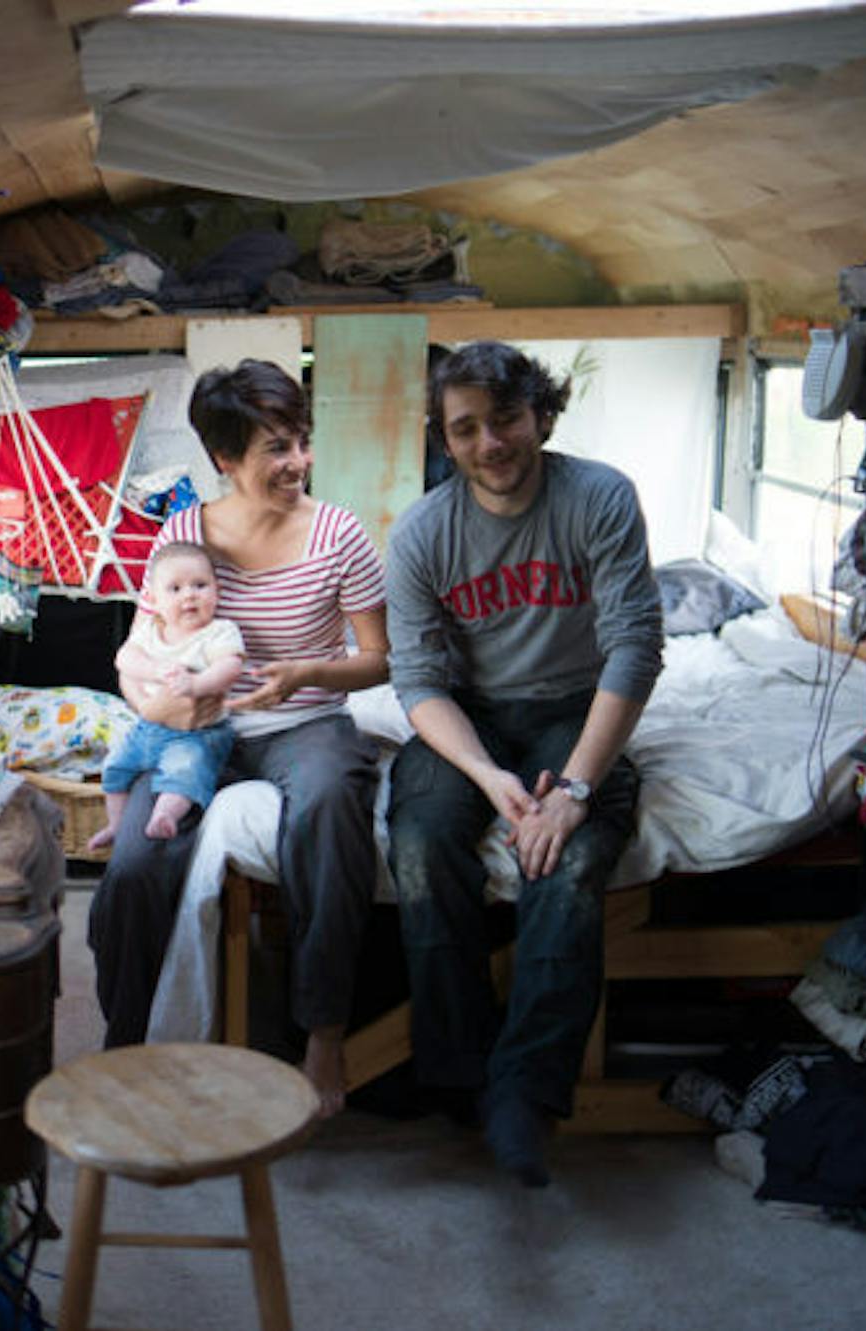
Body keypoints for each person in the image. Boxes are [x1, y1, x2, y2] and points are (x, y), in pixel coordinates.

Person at [383, 340, 663, 1186]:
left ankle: (527, 1096)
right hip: (470, 718)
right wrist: (483, 776)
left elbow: (636, 649)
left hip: (577, 711)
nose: (489, 443)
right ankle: (459, 1075)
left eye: (504, 419)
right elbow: (418, 679)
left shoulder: (600, 498)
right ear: (444, 437)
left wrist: (576, 786)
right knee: (424, 844)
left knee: (568, 860)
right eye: (465, 429)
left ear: (539, 413)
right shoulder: (423, 531)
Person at [87, 358, 389, 1117]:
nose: (298, 463)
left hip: (304, 719)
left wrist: (305, 672)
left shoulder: (338, 533)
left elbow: (380, 659)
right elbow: (138, 651)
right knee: (131, 867)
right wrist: (154, 703)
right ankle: (125, 1044)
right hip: (198, 730)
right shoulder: (185, 533)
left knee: (328, 806)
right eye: (275, 450)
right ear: (224, 460)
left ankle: (322, 1029)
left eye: (299, 442)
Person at [88, 542, 246, 849]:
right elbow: (125, 659)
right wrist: (156, 670)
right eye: (175, 589)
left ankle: (165, 816)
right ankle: (116, 826)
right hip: (148, 727)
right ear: (153, 600)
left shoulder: (218, 632)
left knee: (185, 770)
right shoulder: (150, 630)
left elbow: (231, 667)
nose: (189, 595)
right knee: (115, 766)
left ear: (218, 591)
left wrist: (197, 685)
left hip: (198, 733)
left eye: (200, 585)